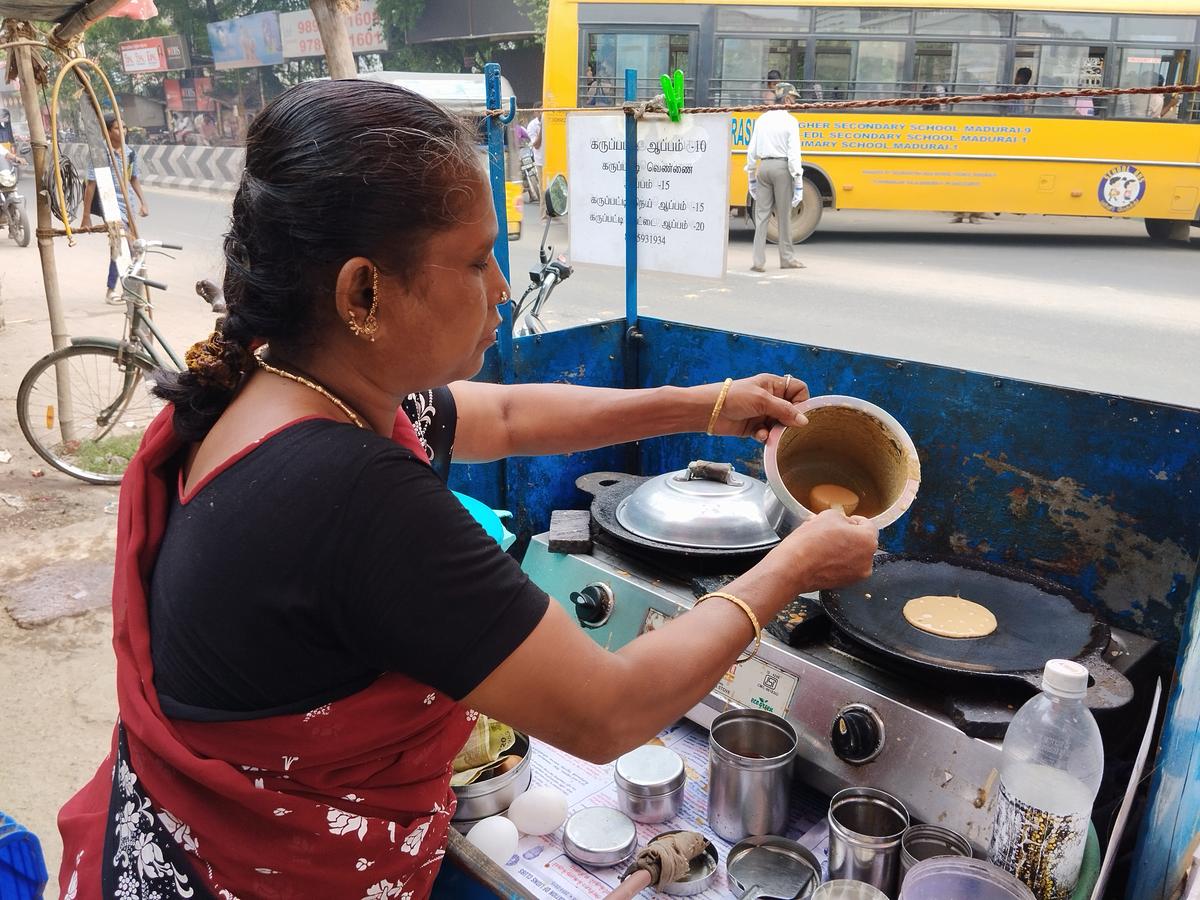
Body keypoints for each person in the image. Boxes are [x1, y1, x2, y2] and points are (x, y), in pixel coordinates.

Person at [56, 79, 881, 900]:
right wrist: (793, 565)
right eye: (477, 257)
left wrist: (706, 404)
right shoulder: (350, 495)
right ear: (361, 292)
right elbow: (608, 713)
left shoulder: (282, 379)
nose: (500, 287)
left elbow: (511, 415)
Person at [80, 113, 149, 304]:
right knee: (122, 244)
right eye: (118, 128)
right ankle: (120, 290)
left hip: (128, 204)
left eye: (124, 127)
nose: (123, 131)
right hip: (109, 202)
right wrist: (86, 216)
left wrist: (143, 202)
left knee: (125, 247)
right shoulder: (100, 153)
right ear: (108, 132)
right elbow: (91, 184)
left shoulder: (130, 153)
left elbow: (133, 178)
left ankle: (118, 290)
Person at [746, 82, 805, 272]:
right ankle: (786, 258)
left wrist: (751, 175)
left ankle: (758, 261)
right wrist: (798, 181)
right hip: (782, 168)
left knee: (761, 215)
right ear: (787, 99)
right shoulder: (790, 121)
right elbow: (794, 153)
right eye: (794, 99)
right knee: (784, 215)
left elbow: (752, 149)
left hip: (763, 168)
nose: (795, 103)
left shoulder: (762, 119)